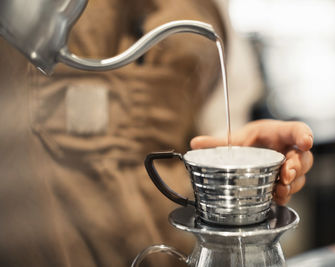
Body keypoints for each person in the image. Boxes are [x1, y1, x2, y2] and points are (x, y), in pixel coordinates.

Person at [0, 0, 313, 267]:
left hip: (177, 247)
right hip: (52, 243)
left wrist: (240, 162)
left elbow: (216, 119)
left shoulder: (211, 8)